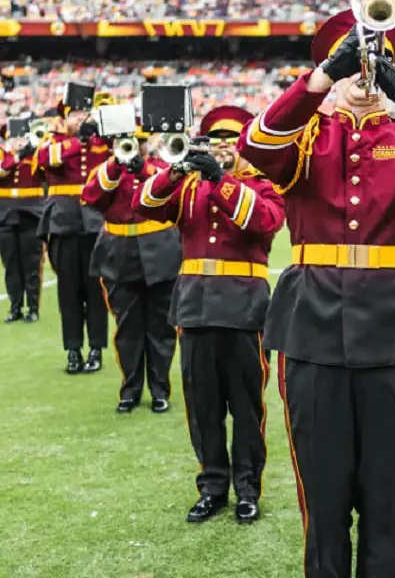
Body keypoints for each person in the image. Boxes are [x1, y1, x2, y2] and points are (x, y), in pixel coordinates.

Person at [238, 11, 395, 577]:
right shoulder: (305, 137)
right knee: (321, 499)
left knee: (389, 496)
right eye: (357, 64)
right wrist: (322, 77)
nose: (366, 76)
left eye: (378, 65)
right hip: (314, 327)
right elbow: (257, 144)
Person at [133, 106, 285, 524]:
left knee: (246, 406)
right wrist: (175, 170)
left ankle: (247, 488)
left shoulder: (261, 185)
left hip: (243, 308)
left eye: (229, 140)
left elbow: (265, 221)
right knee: (203, 407)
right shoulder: (186, 188)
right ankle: (213, 486)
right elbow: (142, 202)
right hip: (196, 308)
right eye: (214, 139)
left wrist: (221, 180)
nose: (221, 146)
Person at [80, 123, 181, 413]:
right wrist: (115, 165)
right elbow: (90, 197)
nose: (134, 146)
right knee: (128, 326)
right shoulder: (109, 170)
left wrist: (144, 170)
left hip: (160, 250)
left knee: (161, 326)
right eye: (128, 141)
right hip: (119, 254)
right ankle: (130, 389)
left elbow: (175, 192)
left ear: (149, 142)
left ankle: (160, 389)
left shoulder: (162, 166)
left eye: (139, 140)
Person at [35, 91, 112, 374]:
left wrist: (98, 131)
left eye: (83, 114)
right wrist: (79, 140)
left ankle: (95, 348)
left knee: (95, 290)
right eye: (73, 115)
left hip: (94, 223)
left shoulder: (102, 143)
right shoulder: (53, 142)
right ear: (64, 118)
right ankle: (72, 350)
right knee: (68, 292)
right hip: (63, 223)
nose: (79, 118)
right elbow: (45, 159)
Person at [0, 126, 46, 323]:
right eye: (15, 137)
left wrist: (34, 149)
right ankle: (15, 306)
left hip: (30, 215)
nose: (19, 141)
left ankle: (33, 308)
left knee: (31, 265)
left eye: (22, 137)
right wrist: (18, 155)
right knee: (11, 265)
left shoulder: (35, 155)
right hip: (5, 216)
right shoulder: (5, 156)